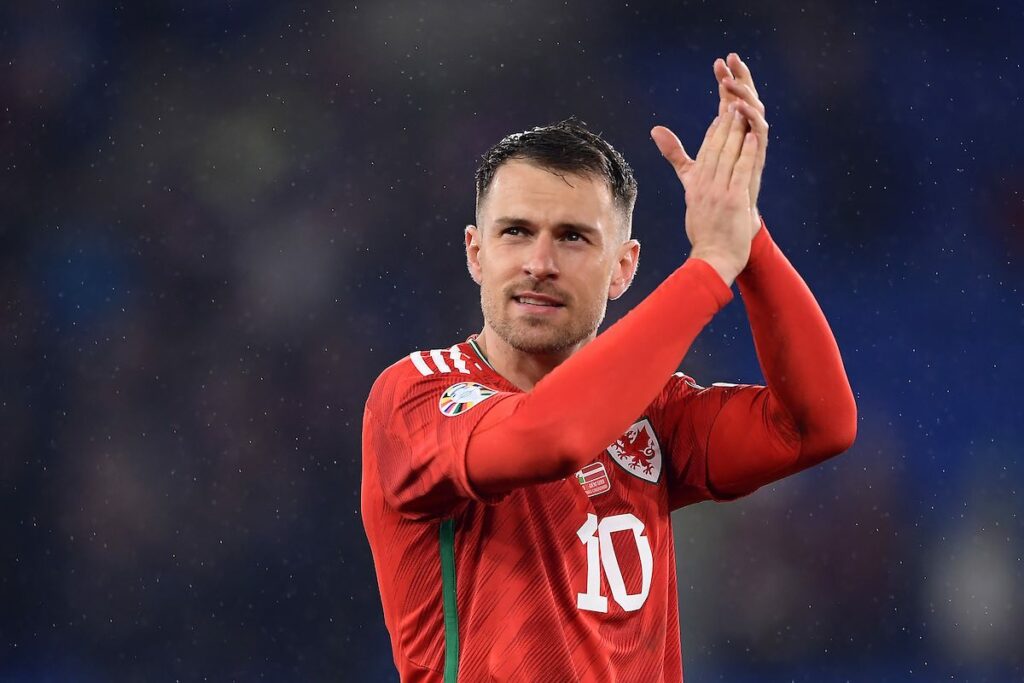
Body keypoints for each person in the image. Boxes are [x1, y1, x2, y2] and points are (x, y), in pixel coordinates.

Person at [361, 53, 857, 682]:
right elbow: (552, 437)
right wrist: (707, 269)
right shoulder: (415, 396)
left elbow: (818, 426)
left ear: (624, 267)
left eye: (572, 237)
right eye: (515, 232)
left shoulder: (651, 413)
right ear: (476, 253)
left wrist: (745, 235)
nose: (539, 262)